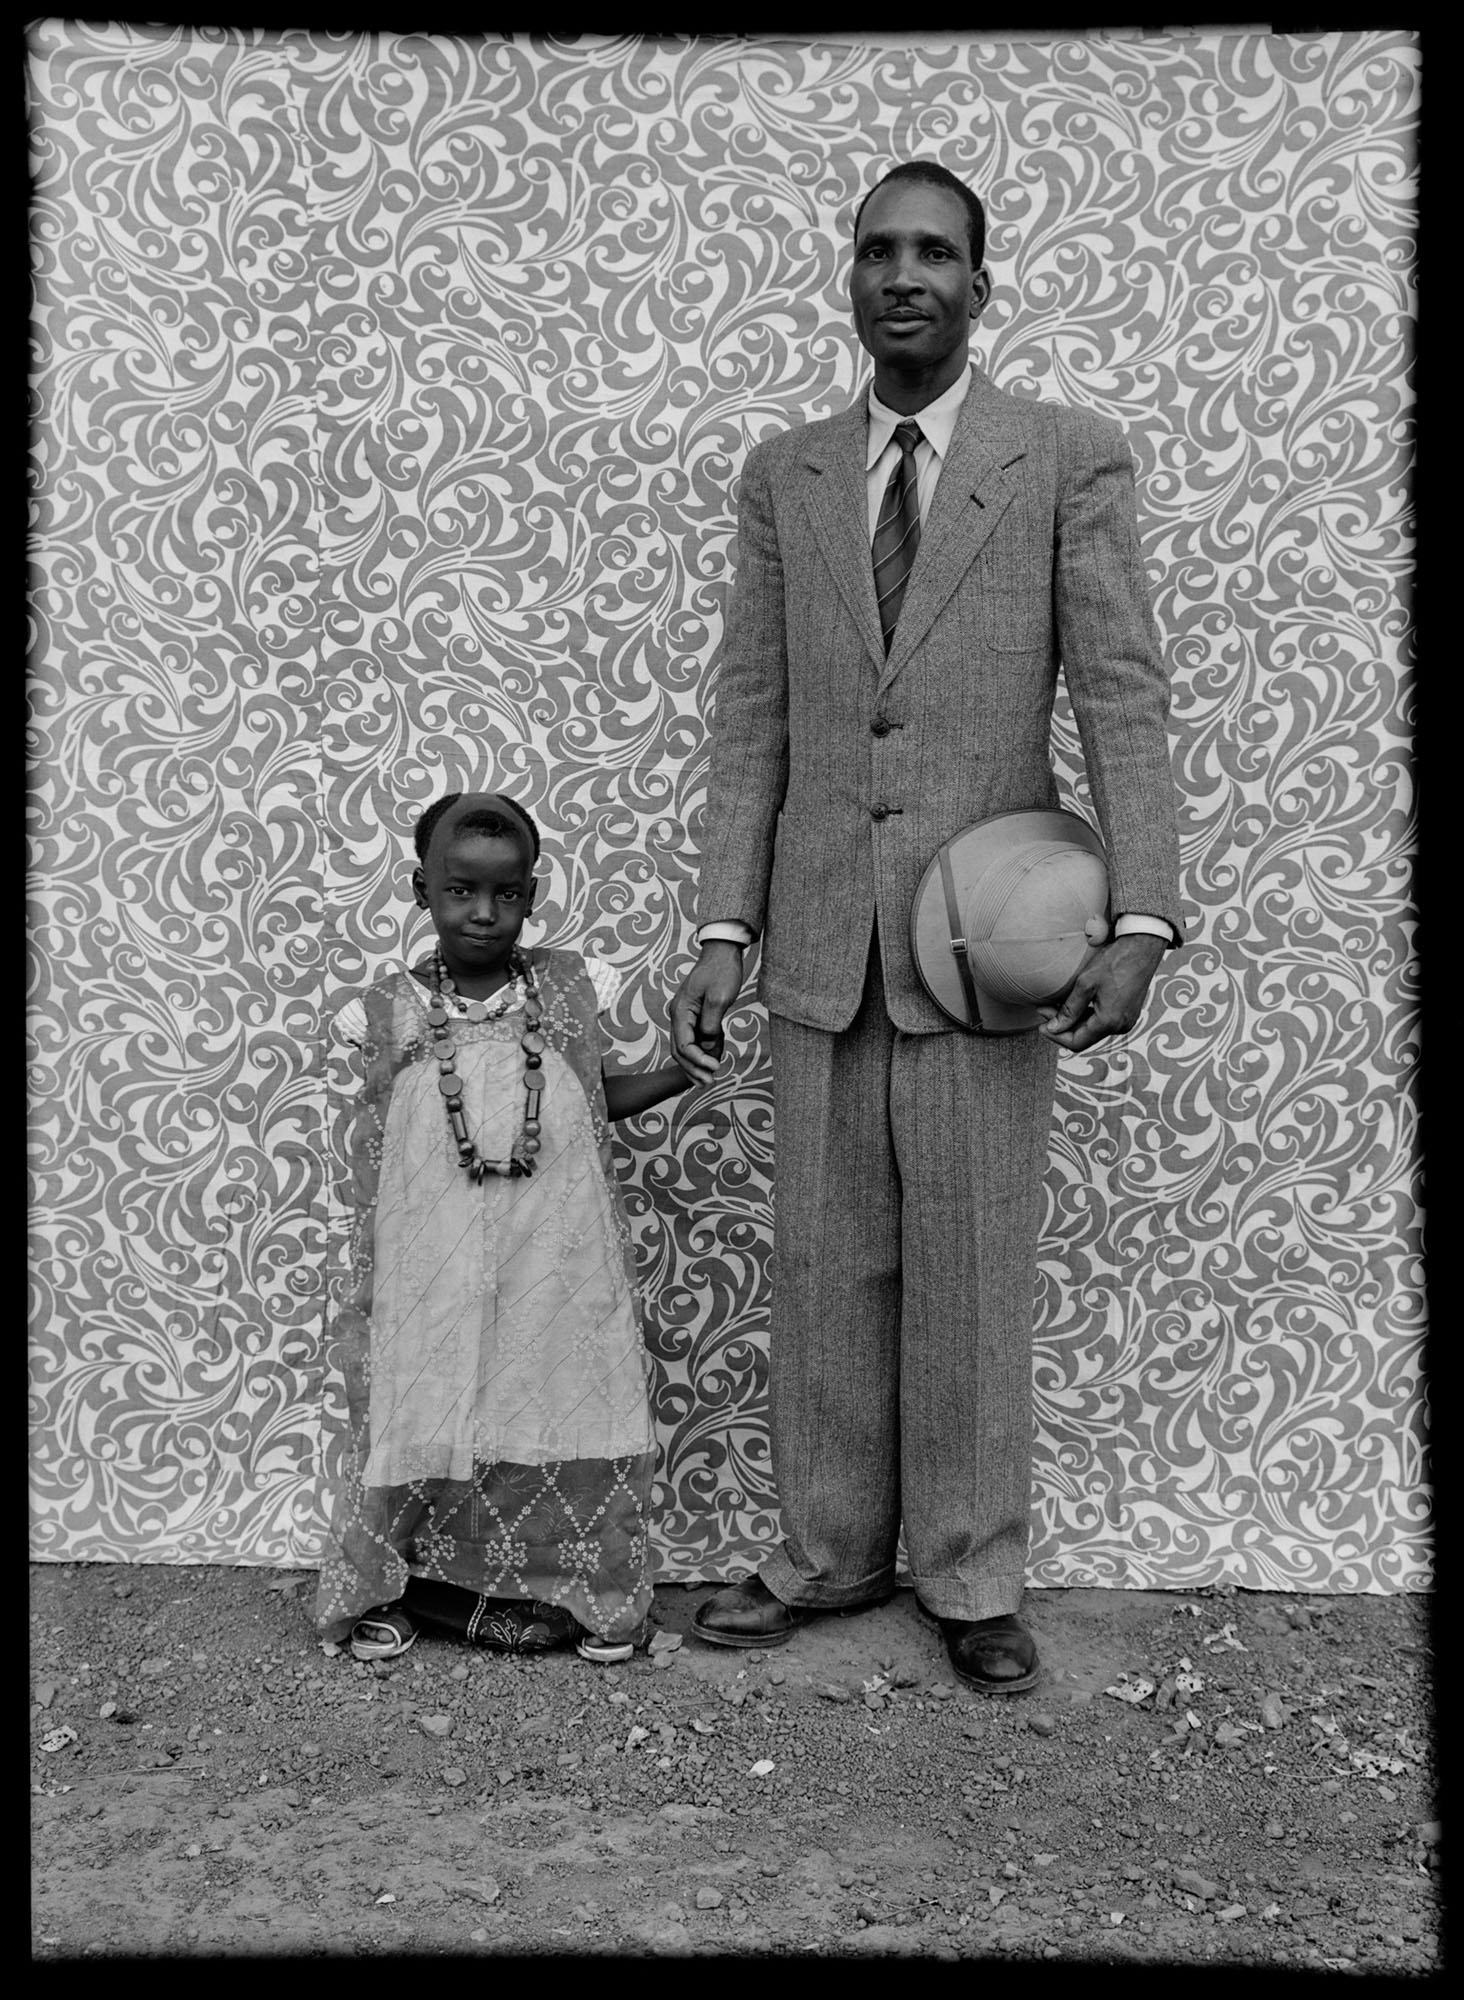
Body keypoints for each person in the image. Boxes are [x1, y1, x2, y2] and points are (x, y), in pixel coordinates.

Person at [670, 160, 1185, 1694]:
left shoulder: (1062, 459)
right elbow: (751, 717)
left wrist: (1144, 918)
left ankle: (970, 1574)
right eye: (880, 250)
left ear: (980, 284)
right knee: (826, 1264)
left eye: (937, 253)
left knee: (968, 1266)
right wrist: (721, 925)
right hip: (823, 942)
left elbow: (1123, 693)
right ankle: (826, 1554)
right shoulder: (789, 476)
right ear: (849, 279)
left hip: (988, 948)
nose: (906, 275)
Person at [316, 790, 694, 1666]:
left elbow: (598, 1102)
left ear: (533, 892)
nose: (483, 913)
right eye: (458, 891)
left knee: (560, 1390)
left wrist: (684, 1071)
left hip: (553, 1259)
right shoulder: (383, 1010)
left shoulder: (566, 987)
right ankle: (399, 1581)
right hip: (431, 1264)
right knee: (427, 1395)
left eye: (507, 894)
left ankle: (585, 1590)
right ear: (419, 889)